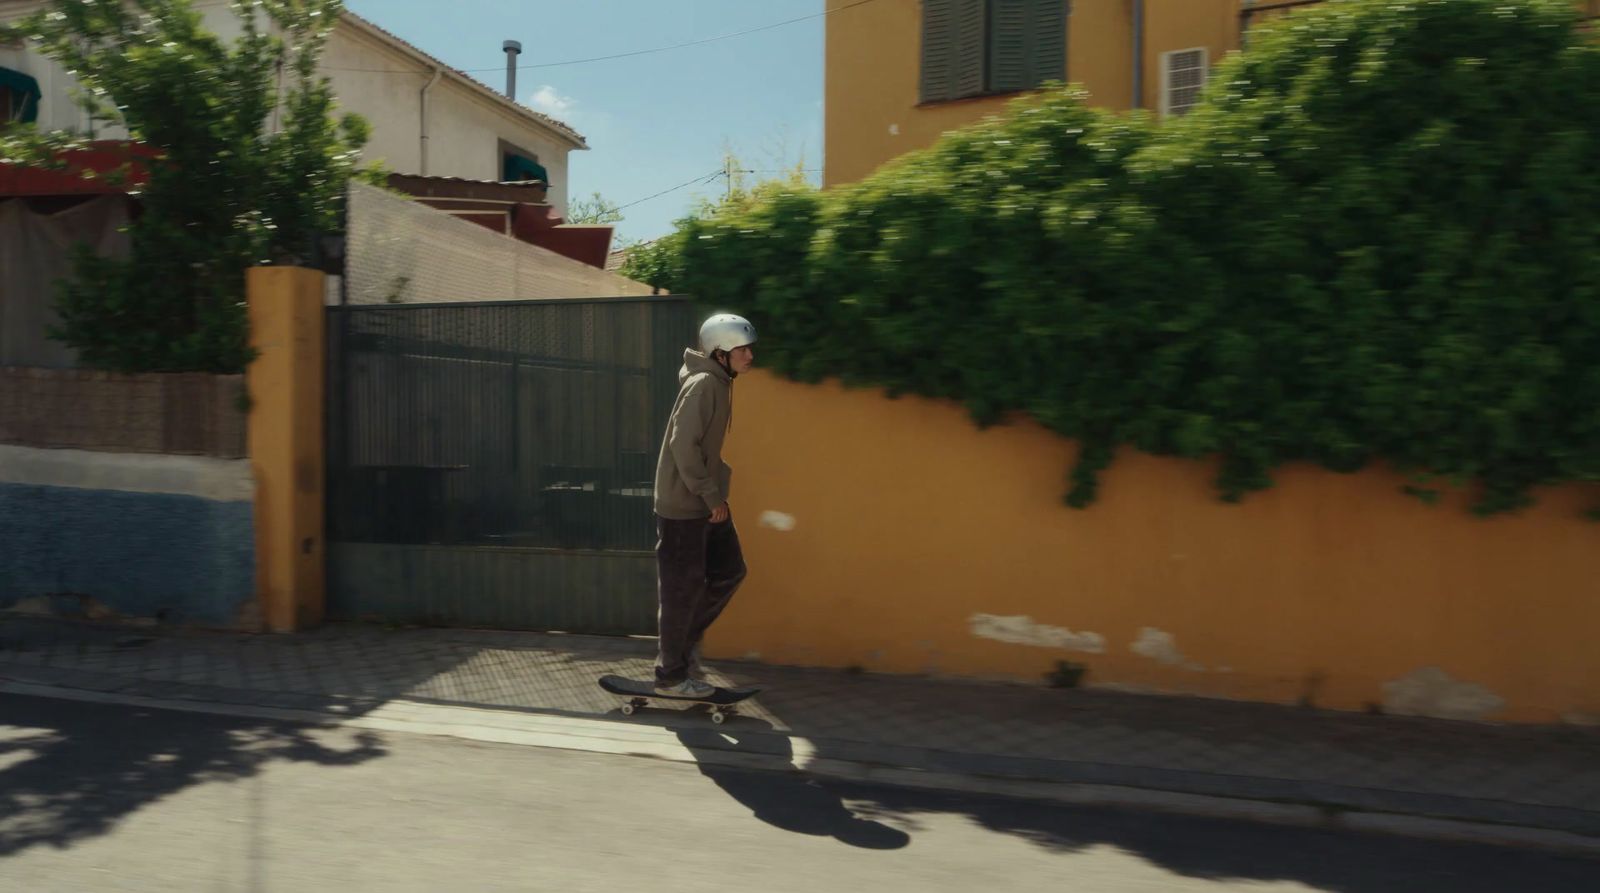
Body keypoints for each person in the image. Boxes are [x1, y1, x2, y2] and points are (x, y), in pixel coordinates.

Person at [651, 313, 757, 697]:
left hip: (705, 498)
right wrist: (710, 494)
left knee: (730, 570)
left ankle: (683, 650)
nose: (749, 356)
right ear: (720, 353)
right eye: (742, 349)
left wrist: (715, 486)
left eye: (749, 349)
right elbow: (683, 445)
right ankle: (671, 676)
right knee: (681, 590)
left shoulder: (718, 382)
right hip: (684, 504)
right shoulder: (703, 385)